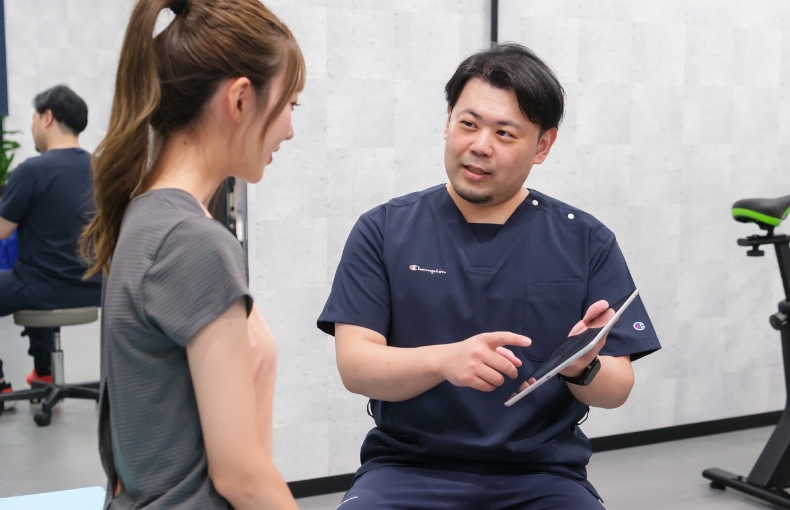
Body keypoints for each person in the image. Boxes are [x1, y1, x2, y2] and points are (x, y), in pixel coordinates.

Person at [318, 43, 662, 509]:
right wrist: (444, 361)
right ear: (447, 122)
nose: (480, 145)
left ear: (543, 145)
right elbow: (355, 365)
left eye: (504, 133)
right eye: (468, 124)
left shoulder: (585, 241)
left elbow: (617, 388)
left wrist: (582, 367)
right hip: (407, 470)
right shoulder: (384, 229)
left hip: (543, 475)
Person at [80, 0, 304, 508]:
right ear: (240, 99)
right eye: (291, 104)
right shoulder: (192, 242)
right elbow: (241, 475)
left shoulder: (144, 215)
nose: (290, 128)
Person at [0, 85, 101, 396]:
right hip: (95, 287)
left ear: (47, 118)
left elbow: (2, 231)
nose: (32, 126)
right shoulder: (102, 168)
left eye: (33, 118)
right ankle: (44, 373)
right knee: (31, 273)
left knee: (26, 278)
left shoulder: (31, 171)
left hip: (42, 289)